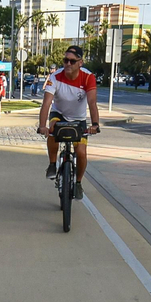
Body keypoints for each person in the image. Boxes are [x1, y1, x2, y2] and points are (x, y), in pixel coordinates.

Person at [35, 45, 101, 198]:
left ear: (80, 62)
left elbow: (92, 102)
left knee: (81, 152)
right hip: (59, 114)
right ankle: (52, 164)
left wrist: (95, 124)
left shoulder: (88, 77)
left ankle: (78, 183)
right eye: (65, 61)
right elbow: (46, 104)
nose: (68, 64)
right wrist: (42, 126)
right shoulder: (55, 77)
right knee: (52, 130)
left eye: (72, 61)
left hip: (79, 119)